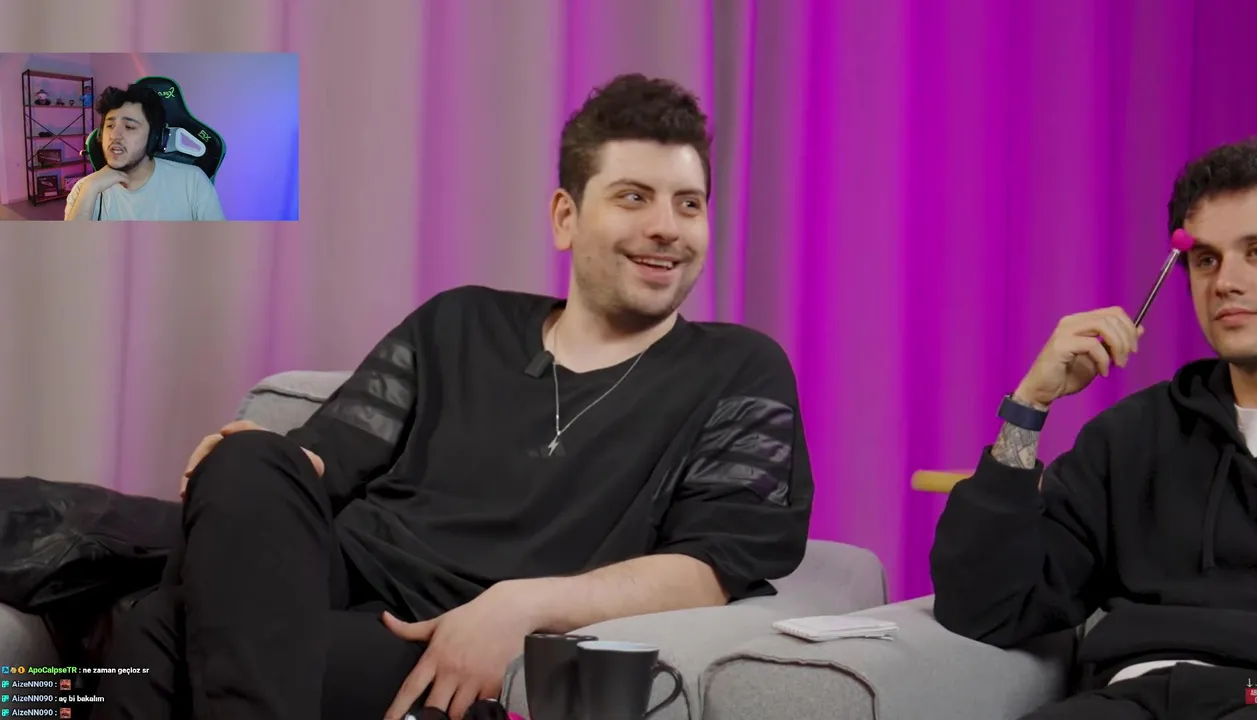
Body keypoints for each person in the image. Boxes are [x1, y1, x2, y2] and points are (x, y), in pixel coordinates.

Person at [92, 73, 813, 720]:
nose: (666, 227)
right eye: (634, 197)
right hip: (336, 581)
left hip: (444, 638)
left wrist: (521, 604)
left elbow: (710, 568)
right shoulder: (460, 322)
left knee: (152, 632)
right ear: (565, 216)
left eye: (689, 204)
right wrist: (241, 470)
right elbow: (322, 457)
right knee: (245, 463)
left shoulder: (737, 369)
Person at [931, 137, 1257, 719]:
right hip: (1133, 697)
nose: (1225, 282)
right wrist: (1030, 405)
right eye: (1206, 259)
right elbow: (985, 608)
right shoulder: (1130, 437)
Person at [64, 83, 224, 221]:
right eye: (110, 126)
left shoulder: (193, 182)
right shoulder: (85, 188)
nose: (114, 135)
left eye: (129, 127)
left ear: (154, 137)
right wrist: (90, 188)